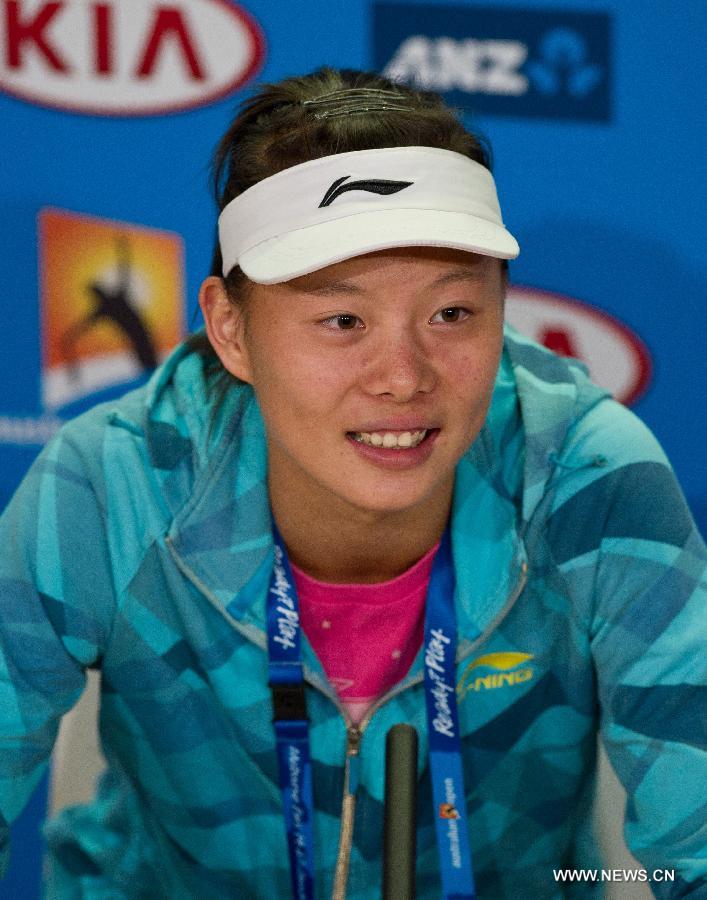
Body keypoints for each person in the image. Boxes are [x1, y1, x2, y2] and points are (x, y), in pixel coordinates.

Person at [0, 67, 705, 899]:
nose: (402, 378)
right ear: (230, 330)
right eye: (342, 321)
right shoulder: (114, 483)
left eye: (451, 314)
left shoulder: (586, 474)